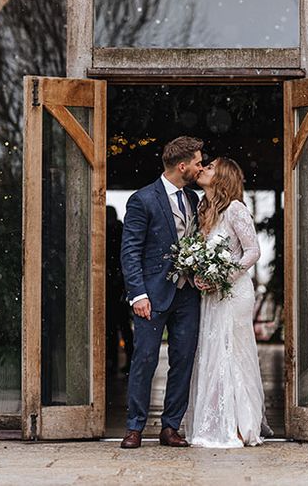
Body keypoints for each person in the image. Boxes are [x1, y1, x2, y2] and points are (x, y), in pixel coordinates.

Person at [119, 136, 204, 449]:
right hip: (152, 296)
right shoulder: (143, 199)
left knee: (183, 360)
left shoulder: (195, 200)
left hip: (188, 294)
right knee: (144, 358)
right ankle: (134, 427)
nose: (200, 167)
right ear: (182, 166)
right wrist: (138, 294)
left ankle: (170, 427)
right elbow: (130, 251)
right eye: (197, 162)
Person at [184, 157, 267, 448]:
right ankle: (218, 421)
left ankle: (243, 425)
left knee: (232, 354)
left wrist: (223, 276)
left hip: (234, 293)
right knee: (213, 353)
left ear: (223, 177)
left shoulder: (235, 209)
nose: (203, 168)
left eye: (210, 167)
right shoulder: (205, 210)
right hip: (212, 295)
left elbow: (252, 251)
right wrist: (199, 276)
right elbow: (201, 255)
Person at [106, 206, 133, 375]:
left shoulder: (111, 232)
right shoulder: (121, 231)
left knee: (113, 327)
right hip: (119, 285)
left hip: (114, 286)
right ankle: (124, 361)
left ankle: (113, 362)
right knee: (122, 326)